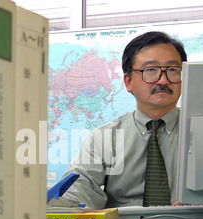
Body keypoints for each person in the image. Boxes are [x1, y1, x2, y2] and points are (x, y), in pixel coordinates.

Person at [60, 31, 187, 209]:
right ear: (128, 82)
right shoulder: (105, 138)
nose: (163, 80)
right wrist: (62, 202)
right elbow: (81, 184)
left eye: (173, 70)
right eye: (150, 70)